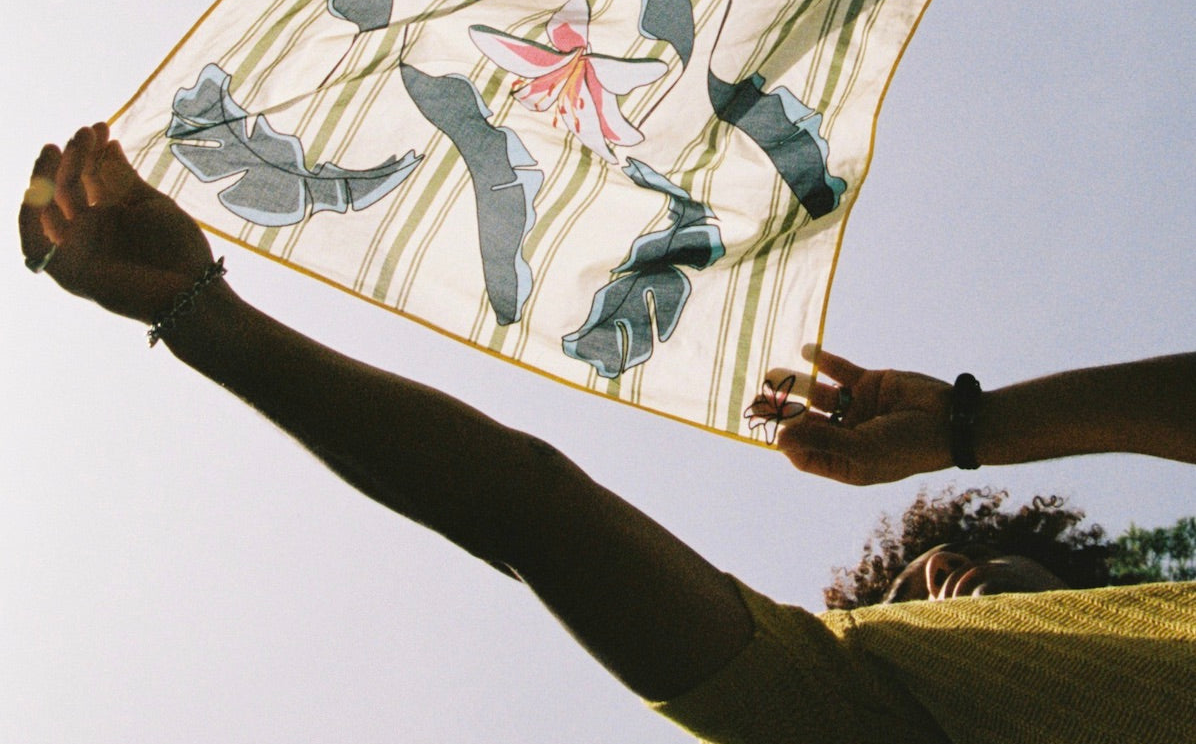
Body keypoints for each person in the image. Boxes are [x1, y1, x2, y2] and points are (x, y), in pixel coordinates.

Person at [19, 124, 1196, 744]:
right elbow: (530, 507)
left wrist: (964, 424)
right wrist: (204, 314)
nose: (923, 577)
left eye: (914, 583)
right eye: (892, 607)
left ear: (1089, 581)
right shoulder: (872, 709)